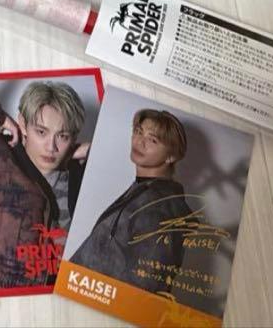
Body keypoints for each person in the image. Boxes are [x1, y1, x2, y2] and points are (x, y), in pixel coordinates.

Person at [0, 81, 89, 288]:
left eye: (62, 136)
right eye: (41, 132)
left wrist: (99, 150)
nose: (51, 147)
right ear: (23, 124)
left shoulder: (81, 180)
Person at [70, 108, 191, 294]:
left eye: (152, 140)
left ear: (171, 156)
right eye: (138, 131)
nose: (139, 141)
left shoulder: (159, 208)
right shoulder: (143, 190)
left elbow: (144, 289)